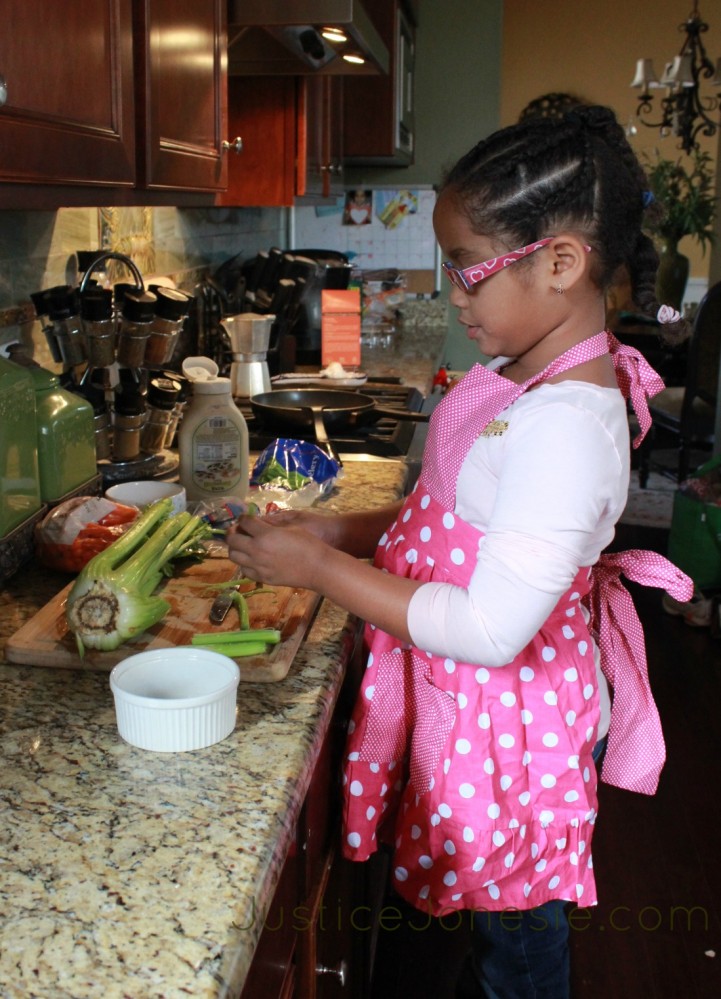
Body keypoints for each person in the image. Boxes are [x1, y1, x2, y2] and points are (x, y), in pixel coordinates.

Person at [226, 105, 693, 998]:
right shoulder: (526, 372)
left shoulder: (566, 425)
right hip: (466, 709)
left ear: (559, 262)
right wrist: (332, 532)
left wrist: (323, 572)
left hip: (509, 728)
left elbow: (487, 626)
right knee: (456, 915)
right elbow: (444, 514)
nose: (455, 298)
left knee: (513, 943)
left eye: (467, 273)